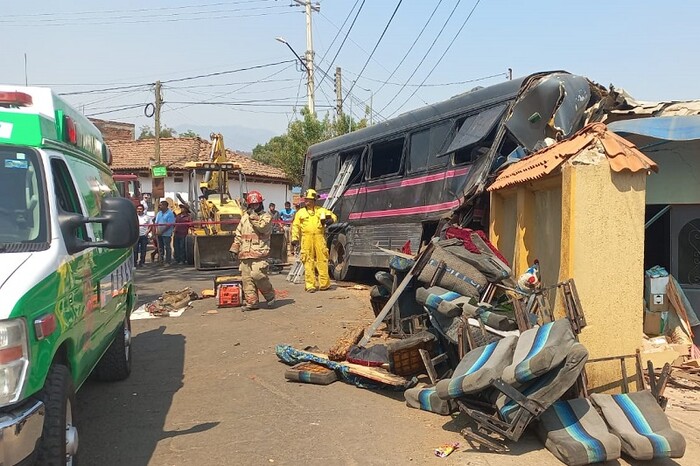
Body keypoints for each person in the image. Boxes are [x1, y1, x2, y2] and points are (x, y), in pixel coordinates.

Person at [229, 190, 276, 310]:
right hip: (245, 254)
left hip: (259, 253)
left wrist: (252, 216)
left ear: (260, 204)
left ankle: (270, 296)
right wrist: (234, 248)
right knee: (247, 279)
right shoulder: (244, 218)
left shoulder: (266, 217)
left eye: (256, 204)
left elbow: (262, 227)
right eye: (252, 205)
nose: (254, 207)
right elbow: (239, 234)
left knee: (258, 275)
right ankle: (252, 302)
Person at [291, 188, 337, 293]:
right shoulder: (300, 213)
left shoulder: (321, 210)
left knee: (322, 260)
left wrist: (330, 220)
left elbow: (334, 216)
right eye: (306, 199)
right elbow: (295, 226)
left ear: (314, 200)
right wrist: (294, 238)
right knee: (308, 261)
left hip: (319, 237)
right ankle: (310, 285)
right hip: (306, 238)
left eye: (309, 199)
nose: (307, 201)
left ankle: (324, 284)